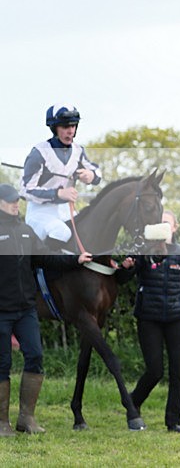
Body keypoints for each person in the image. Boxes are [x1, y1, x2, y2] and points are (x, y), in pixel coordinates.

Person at [0, 183, 93, 436]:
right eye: (10, 200)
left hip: (26, 310)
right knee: (2, 363)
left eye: (16, 200)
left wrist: (75, 259)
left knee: (35, 356)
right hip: (2, 311)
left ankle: (26, 419)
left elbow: (46, 257)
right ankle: (2, 423)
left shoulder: (25, 230)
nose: (15, 204)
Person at [118, 209, 180, 433]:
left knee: (178, 371)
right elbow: (122, 279)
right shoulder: (144, 252)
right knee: (155, 370)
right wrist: (125, 267)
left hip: (176, 318)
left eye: (167, 222)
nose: (164, 226)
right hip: (149, 318)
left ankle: (173, 421)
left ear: (174, 228)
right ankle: (133, 402)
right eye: (160, 222)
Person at [20, 104, 102, 251]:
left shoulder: (78, 151)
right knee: (61, 232)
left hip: (66, 211)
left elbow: (97, 172)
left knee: (87, 229)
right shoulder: (39, 153)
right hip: (40, 213)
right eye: (65, 127)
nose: (71, 131)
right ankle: (41, 264)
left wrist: (91, 175)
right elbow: (25, 191)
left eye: (73, 126)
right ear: (54, 128)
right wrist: (57, 194)